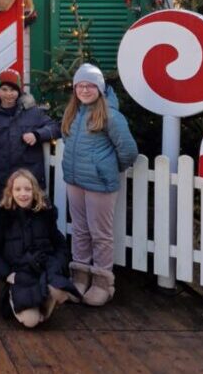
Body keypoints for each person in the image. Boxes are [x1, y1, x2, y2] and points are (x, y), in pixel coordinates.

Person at [61, 63, 138, 306]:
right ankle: (80, 277)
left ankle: (103, 282)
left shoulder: (111, 116)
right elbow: (67, 139)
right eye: (80, 86)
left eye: (90, 85)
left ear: (100, 88)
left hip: (99, 184)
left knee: (100, 234)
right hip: (74, 180)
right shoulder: (72, 114)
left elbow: (128, 151)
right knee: (80, 230)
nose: (84, 90)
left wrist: (107, 167)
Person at [0, 169, 79, 328]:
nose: (23, 194)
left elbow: (61, 244)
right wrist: (7, 274)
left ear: (35, 190)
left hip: (45, 270)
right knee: (31, 321)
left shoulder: (44, 214)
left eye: (28, 189)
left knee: (60, 290)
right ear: (10, 192)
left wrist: (57, 265)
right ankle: (15, 299)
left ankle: (45, 301)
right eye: (18, 189)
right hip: (20, 275)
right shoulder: (3, 217)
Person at [0, 69, 60, 205]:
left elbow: (55, 128)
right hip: (1, 180)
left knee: (31, 221)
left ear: (19, 91)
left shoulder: (33, 112)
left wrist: (36, 135)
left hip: (29, 180)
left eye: (13, 90)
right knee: (2, 221)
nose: (9, 94)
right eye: (4, 89)